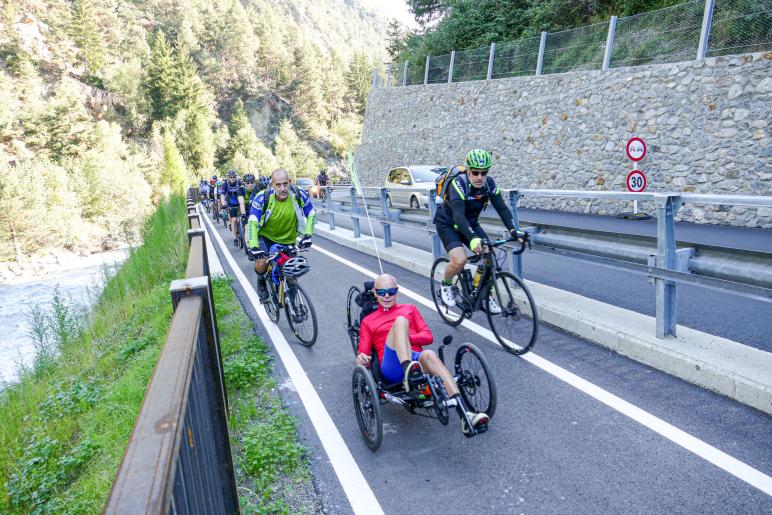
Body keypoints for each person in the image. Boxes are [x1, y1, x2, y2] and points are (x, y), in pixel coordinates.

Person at [355, 273, 490, 435]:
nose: (386, 296)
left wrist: (405, 337)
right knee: (400, 322)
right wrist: (363, 358)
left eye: (391, 291)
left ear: (397, 291)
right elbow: (362, 355)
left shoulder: (410, 309)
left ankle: (465, 416)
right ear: (375, 293)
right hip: (391, 366)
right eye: (382, 292)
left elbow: (428, 336)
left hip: (416, 360)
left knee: (430, 354)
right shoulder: (368, 321)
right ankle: (408, 372)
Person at [434, 149, 524, 309]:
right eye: (475, 173)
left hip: (470, 223)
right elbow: (458, 216)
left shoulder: (489, 184)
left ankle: (482, 293)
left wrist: (513, 230)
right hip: (448, 222)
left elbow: (502, 208)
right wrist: (473, 238)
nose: (479, 177)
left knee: (489, 256)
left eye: (484, 173)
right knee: (460, 260)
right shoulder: (459, 184)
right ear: (468, 170)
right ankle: (446, 285)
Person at [247, 168, 316, 301]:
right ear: (272, 185)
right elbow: (252, 222)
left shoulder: (298, 194)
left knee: (291, 270)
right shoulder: (262, 197)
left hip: (288, 238)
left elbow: (311, 213)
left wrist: (308, 235)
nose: (282, 188)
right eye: (278, 185)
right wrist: (254, 246)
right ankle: (261, 281)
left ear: (290, 182)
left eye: (285, 184)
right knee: (262, 262)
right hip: (266, 237)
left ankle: (293, 301)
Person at [221, 170, 246, 246]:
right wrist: (223, 203)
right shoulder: (225, 184)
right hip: (231, 204)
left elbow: (244, 192)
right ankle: (235, 238)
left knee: (244, 218)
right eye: (230, 177)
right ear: (228, 177)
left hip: (240, 204)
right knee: (234, 220)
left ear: (236, 177)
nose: (232, 178)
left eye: (234, 177)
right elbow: (222, 195)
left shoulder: (240, 183)